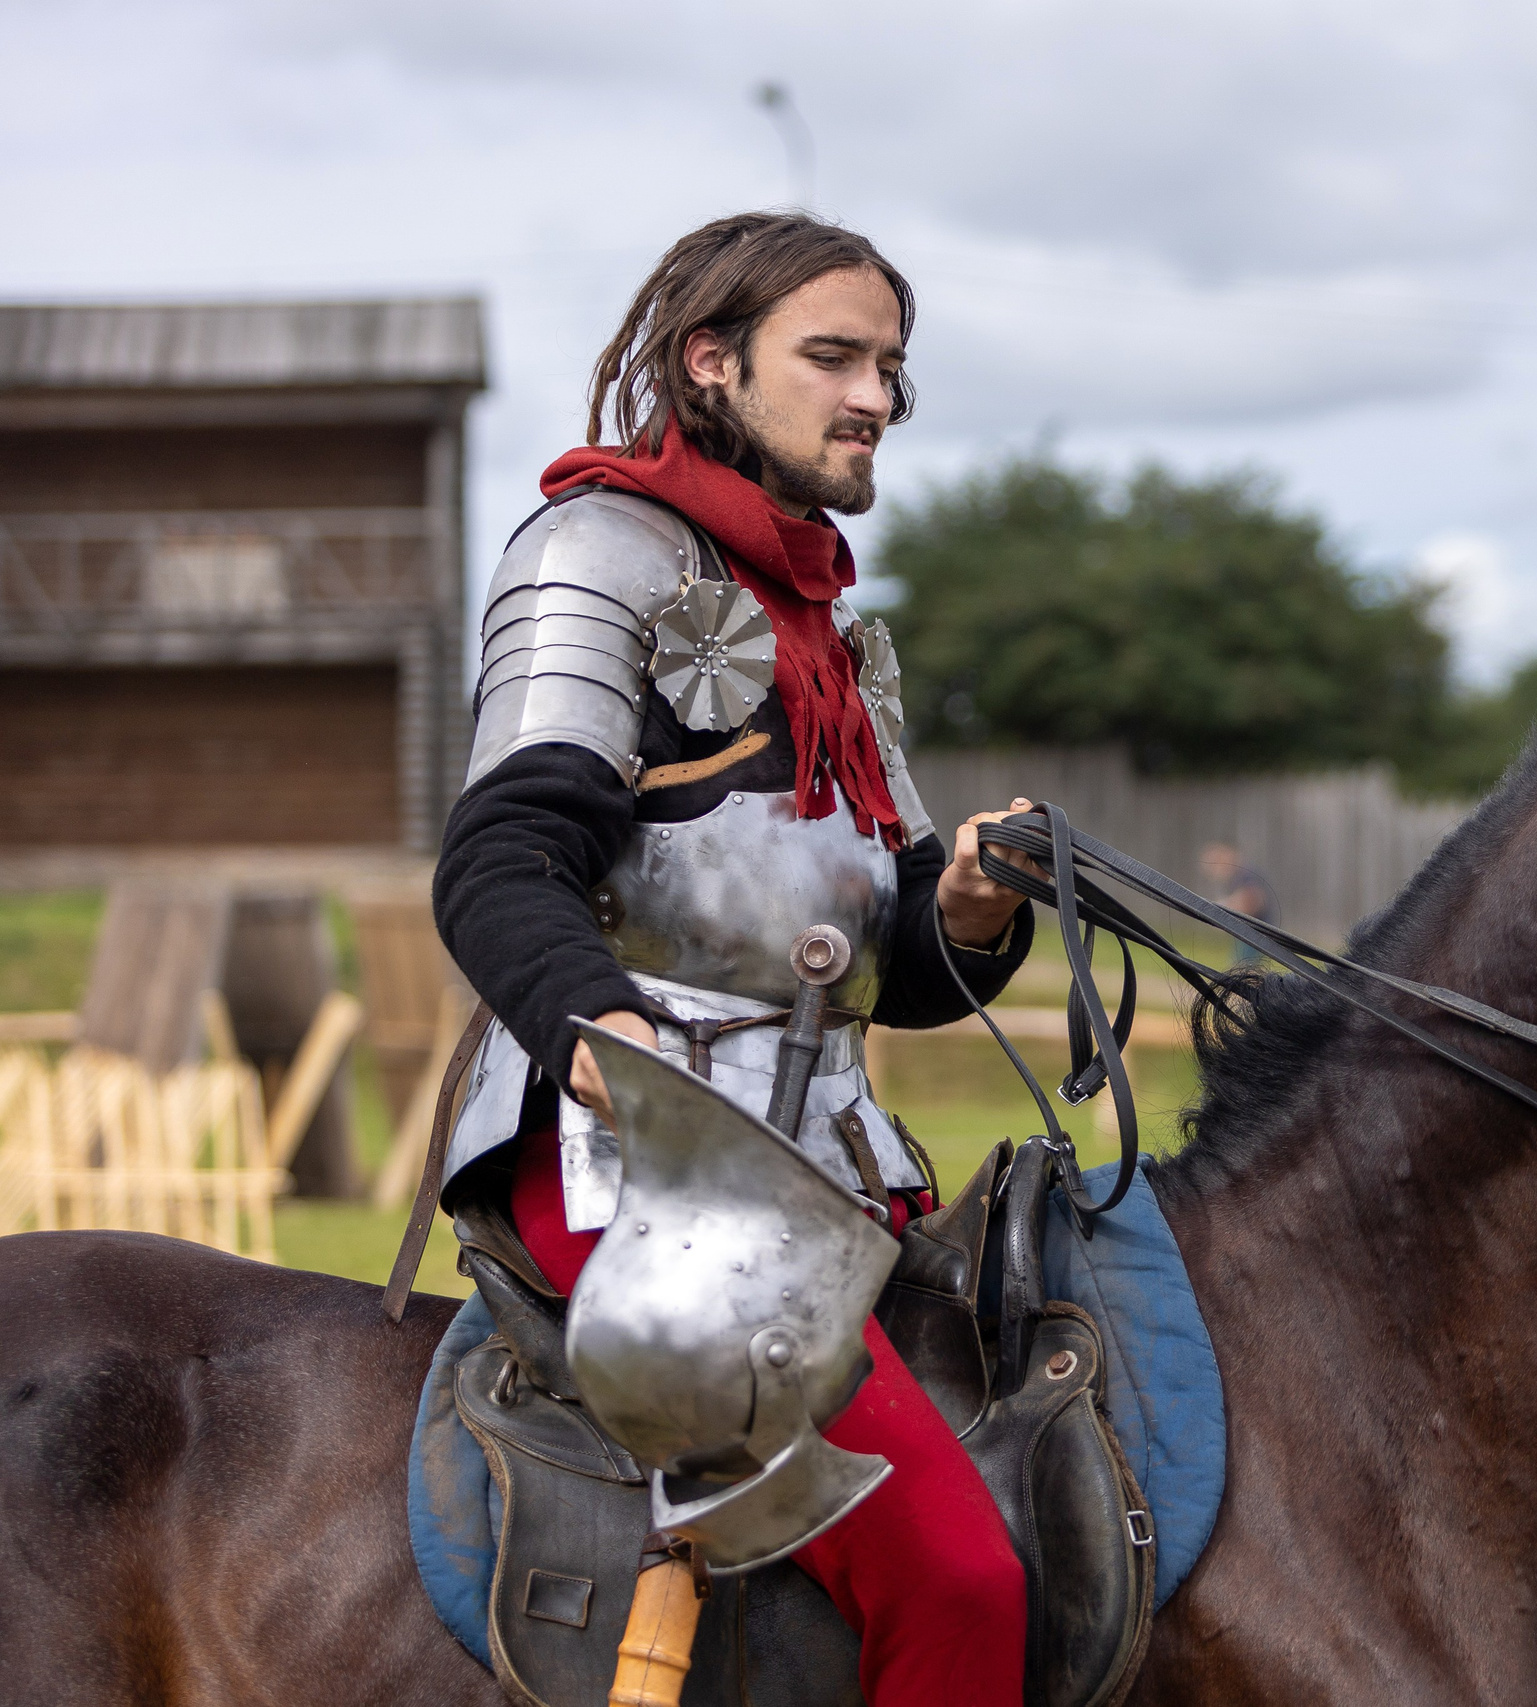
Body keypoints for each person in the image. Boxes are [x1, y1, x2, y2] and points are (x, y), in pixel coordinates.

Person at [432, 213, 1030, 1705]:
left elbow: (881, 963)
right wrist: (598, 1027)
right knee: (960, 1578)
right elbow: (499, 862)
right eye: (833, 357)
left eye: (890, 366)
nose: (875, 398)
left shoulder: (820, 615)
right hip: (630, 1163)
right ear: (715, 363)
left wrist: (958, 906)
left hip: (822, 1161)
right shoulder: (596, 552)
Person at [1200, 841, 1276, 966]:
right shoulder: (1240, 876)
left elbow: (1254, 899)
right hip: (1250, 931)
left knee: (1243, 968)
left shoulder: (1245, 874)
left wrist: (1223, 912)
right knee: (1240, 967)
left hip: (1257, 932)